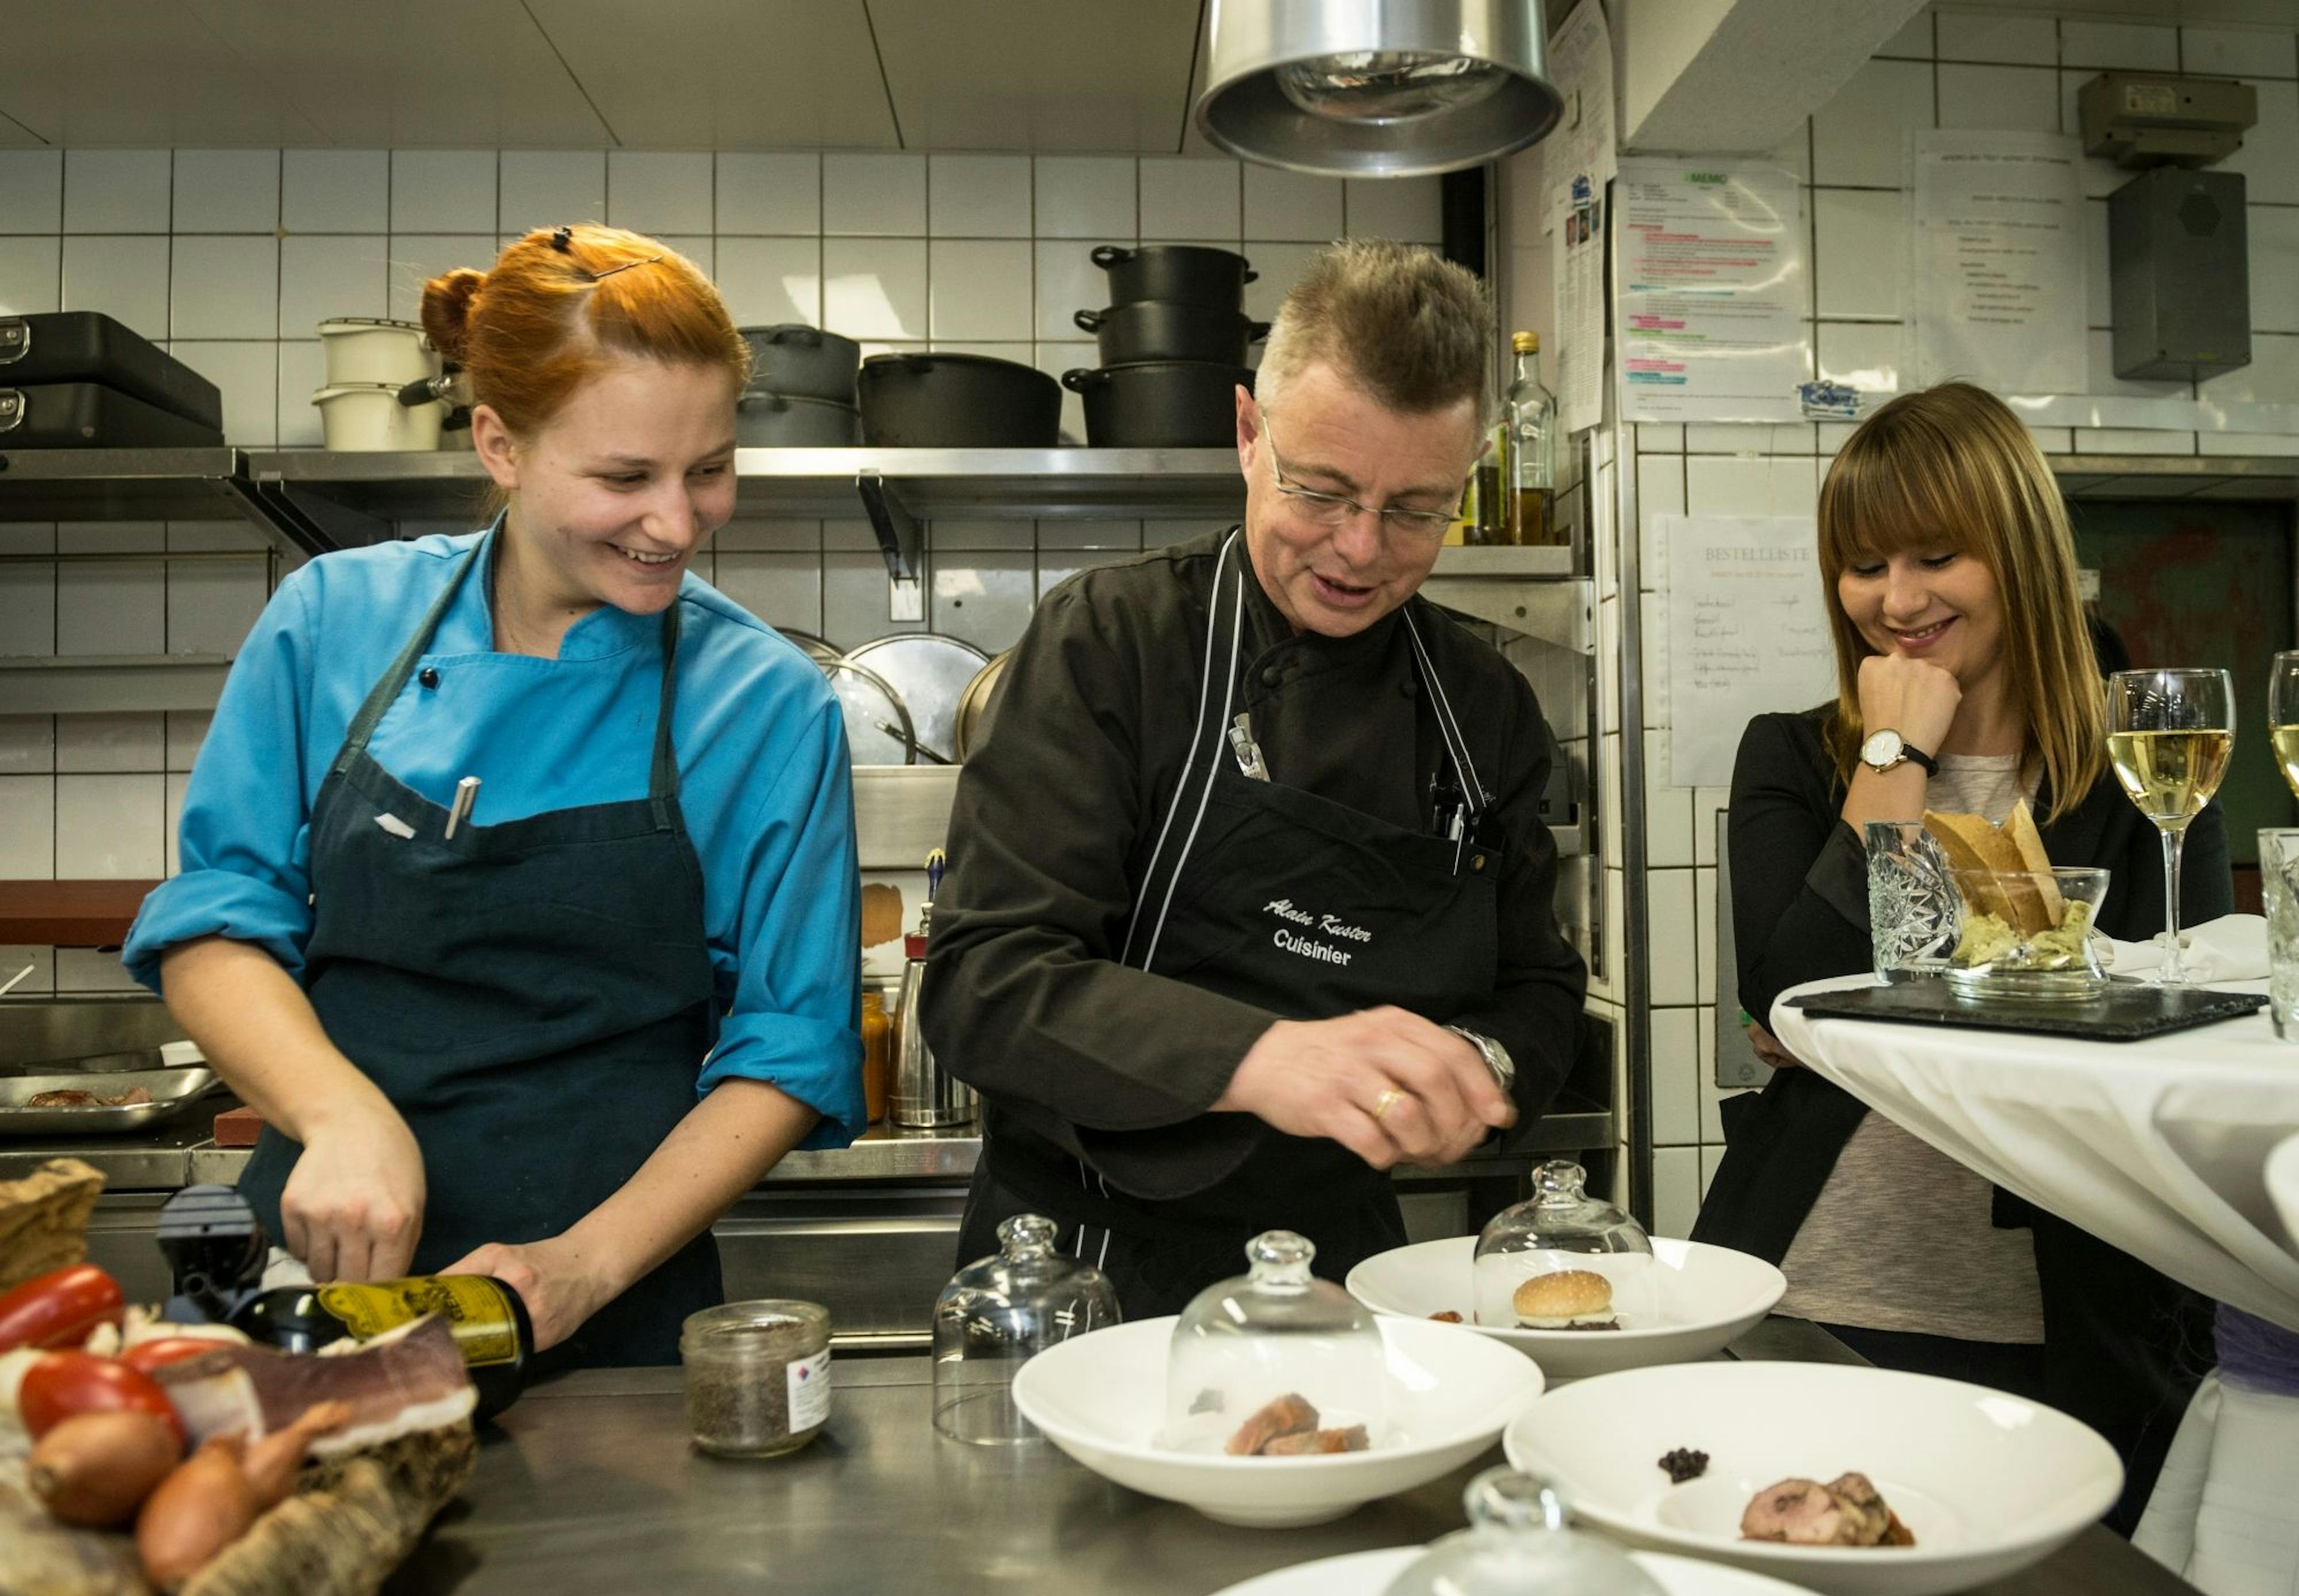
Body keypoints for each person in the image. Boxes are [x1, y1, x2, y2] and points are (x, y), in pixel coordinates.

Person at [124, 224, 865, 1369]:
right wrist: (340, 1115)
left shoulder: (762, 702)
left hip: (612, 1301)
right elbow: (217, 921)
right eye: (624, 477)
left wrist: (580, 1269)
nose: (678, 524)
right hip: (320, 1277)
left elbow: (790, 1048)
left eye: (709, 469)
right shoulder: (334, 621)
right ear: (499, 444)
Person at [919, 241, 1588, 1316]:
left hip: (1346, 1267)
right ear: (1246, 435)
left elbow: (1539, 986)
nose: (1360, 549)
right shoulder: (1113, 642)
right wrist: (1267, 1058)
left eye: (1418, 509)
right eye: (1320, 491)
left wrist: (1482, 1066)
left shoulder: (1482, 703)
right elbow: (984, 981)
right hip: (1083, 1266)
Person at [1697, 381, 2227, 1530]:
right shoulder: (1794, 758)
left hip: (2077, 1317)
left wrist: (1887, 1017)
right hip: (1819, 1290)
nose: (1897, 599)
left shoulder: (2135, 780)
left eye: (1939, 556)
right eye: (1865, 565)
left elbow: (2169, 1024)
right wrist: (1896, 749)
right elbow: (1789, 996)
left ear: (2021, 553)